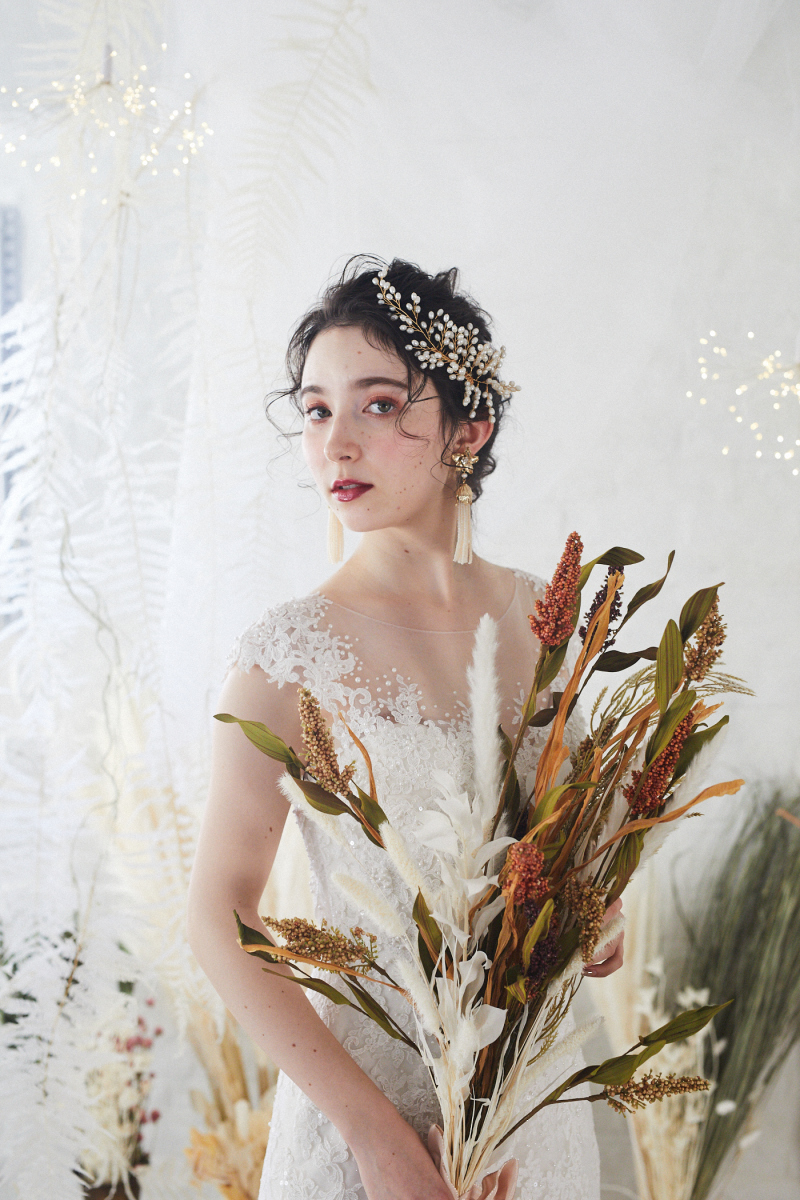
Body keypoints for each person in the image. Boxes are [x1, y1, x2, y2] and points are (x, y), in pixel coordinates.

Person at [187, 257, 624, 1200]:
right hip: (368, 1137)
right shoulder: (286, 656)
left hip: (532, 1122)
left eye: (378, 405)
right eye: (315, 411)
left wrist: (593, 913)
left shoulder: (546, 620)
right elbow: (220, 910)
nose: (336, 444)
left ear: (470, 429)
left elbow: (569, 841)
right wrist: (372, 1137)